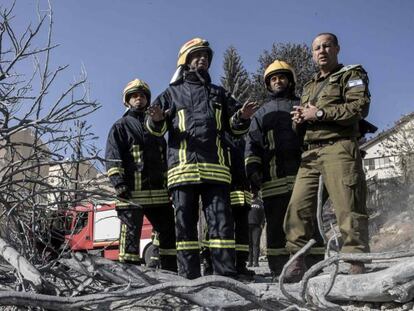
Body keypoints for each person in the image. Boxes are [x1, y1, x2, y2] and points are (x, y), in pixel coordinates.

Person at [146, 38, 258, 279]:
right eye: (196, 55)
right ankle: (189, 279)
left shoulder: (219, 93)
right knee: (185, 228)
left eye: (206, 55)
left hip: (216, 171)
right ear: (185, 62)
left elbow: (235, 129)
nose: (203, 59)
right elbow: (156, 130)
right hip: (182, 171)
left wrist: (243, 117)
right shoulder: (171, 94)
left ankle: (225, 277)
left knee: (221, 225)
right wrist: (156, 119)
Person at [284, 32, 371, 282]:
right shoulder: (309, 86)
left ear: (337, 49)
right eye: (316, 48)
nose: (321, 51)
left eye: (326, 46)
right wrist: (299, 120)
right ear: (312, 54)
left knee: (348, 206)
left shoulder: (351, 75)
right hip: (311, 152)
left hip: (339, 148)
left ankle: (356, 261)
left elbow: (358, 108)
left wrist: (319, 114)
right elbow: (305, 120)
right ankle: (296, 259)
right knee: (297, 207)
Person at [105, 79, 177, 272]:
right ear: (127, 101)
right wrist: (118, 183)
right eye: (135, 96)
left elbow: (165, 158)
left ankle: (169, 269)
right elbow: (113, 158)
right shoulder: (120, 126)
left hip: (159, 192)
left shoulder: (155, 126)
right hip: (131, 192)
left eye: (143, 95)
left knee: (168, 230)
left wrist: (170, 184)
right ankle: (129, 273)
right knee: (130, 234)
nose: (139, 98)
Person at [245, 60, 303, 279]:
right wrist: (252, 170)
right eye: (273, 79)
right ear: (268, 85)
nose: (278, 81)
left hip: (302, 176)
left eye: (282, 77)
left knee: (306, 222)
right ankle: (278, 268)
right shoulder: (261, 115)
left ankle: (312, 262)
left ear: (290, 81)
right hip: (272, 179)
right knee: (276, 225)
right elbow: (252, 145)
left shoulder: (301, 105)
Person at [247, 194, 265, 268]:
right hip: (247, 226)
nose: (251, 194)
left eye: (253, 192)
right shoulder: (247, 201)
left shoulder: (260, 202)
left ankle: (256, 263)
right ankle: (250, 262)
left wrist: (262, 224)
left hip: (257, 226)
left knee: (256, 244)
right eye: (250, 192)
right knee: (249, 245)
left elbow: (263, 214)